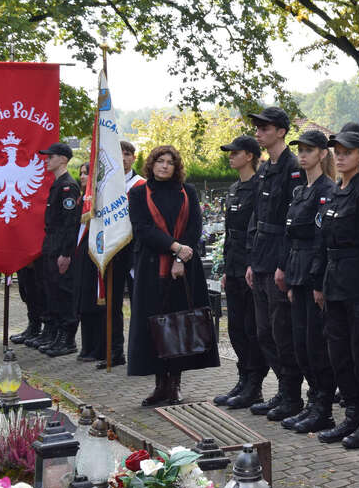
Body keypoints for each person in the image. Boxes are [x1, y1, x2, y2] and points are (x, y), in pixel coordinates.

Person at [128, 145, 220, 406]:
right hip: (151, 267)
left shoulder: (187, 191)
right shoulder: (138, 193)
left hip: (184, 269)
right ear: (152, 164)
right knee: (155, 327)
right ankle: (160, 385)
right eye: (160, 161)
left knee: (179, 325)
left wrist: (180, 257)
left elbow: (194, 227)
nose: (164, 166)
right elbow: (143, 229)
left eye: (170, 162)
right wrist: (174, 247)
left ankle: (175, 385)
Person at [309, 129, 359, 448]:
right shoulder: (336, 190)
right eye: (336, 151)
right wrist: (319, 281)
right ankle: (351, 414)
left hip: (357, 282)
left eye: (347, 151)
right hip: (334, 280)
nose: (340, 156)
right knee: (338, 352)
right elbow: (324, 240)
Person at [246, 107, 305, 420]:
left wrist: (283, 263)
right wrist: (252, 260)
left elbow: (290, 220)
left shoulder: (292, 168)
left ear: (281, 131)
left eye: (265, 127)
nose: (259, 132)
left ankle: (293, 396)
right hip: (262, 256)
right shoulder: (266, 168)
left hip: (280, 257)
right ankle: (283, 390)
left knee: (282, 330)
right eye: (257, 128)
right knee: (264, 330)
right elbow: (259, 216)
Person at [278, 129, 337, 433]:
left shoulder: (327, 189)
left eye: (309, 150)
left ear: (322, 154)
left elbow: (320, 239)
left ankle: (323, 406)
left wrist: (317, 281)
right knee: (300, 343)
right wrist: (286, 273)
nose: (302, 154)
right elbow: (291, 235)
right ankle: (312, 401)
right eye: (300, 149)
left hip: (313, 272)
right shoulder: (301, 189)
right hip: (297, 271)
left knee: (315, 344)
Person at [213, 135, 269, 409]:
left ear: (249, 155)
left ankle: (255, 384)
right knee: (235, 327)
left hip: (251, 265)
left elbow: (257, 229)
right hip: (234, 264)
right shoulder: (235, 188)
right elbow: (230, 234)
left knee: (251, 327)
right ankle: (243, 377)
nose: (230, 156)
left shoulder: (260, 186)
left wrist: (252, 263)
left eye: (234, 152)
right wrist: (225, 268)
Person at [97, 141, 143, 370]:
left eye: (127, 154)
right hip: (114, 251)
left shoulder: (141, 184)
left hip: (135, 251)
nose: (124, 158)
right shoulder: (107, 186)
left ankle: (140, 352)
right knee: (112, 305)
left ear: (134, 158)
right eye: (120, 154)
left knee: (139, 303)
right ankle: (114, 351)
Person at [36, 142, 81, 357]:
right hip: (52, 243)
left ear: (63, 159)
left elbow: (70, 222)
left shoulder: (68, 186)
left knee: (64, 292)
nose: (47, 160)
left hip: (61, 246)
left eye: (50, 156)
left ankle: (67, 338)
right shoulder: (58, 184)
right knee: (53, 290)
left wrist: (66, 253)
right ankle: (56, 335)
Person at [74, 162, 103, 362]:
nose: (83, 177)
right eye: (81, 174)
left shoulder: (97, 201)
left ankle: (97, 348)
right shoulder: (80, 200)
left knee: (93, 303)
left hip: (93, 255)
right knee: (82, 303)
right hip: (80, 256)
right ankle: (86, 346)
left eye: (86, 173)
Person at [10, 259, 44, 346]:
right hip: (21, 257)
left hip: (33, 257)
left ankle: (36, 328)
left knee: (33, 292)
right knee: (25, 291)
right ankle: (33, 326)